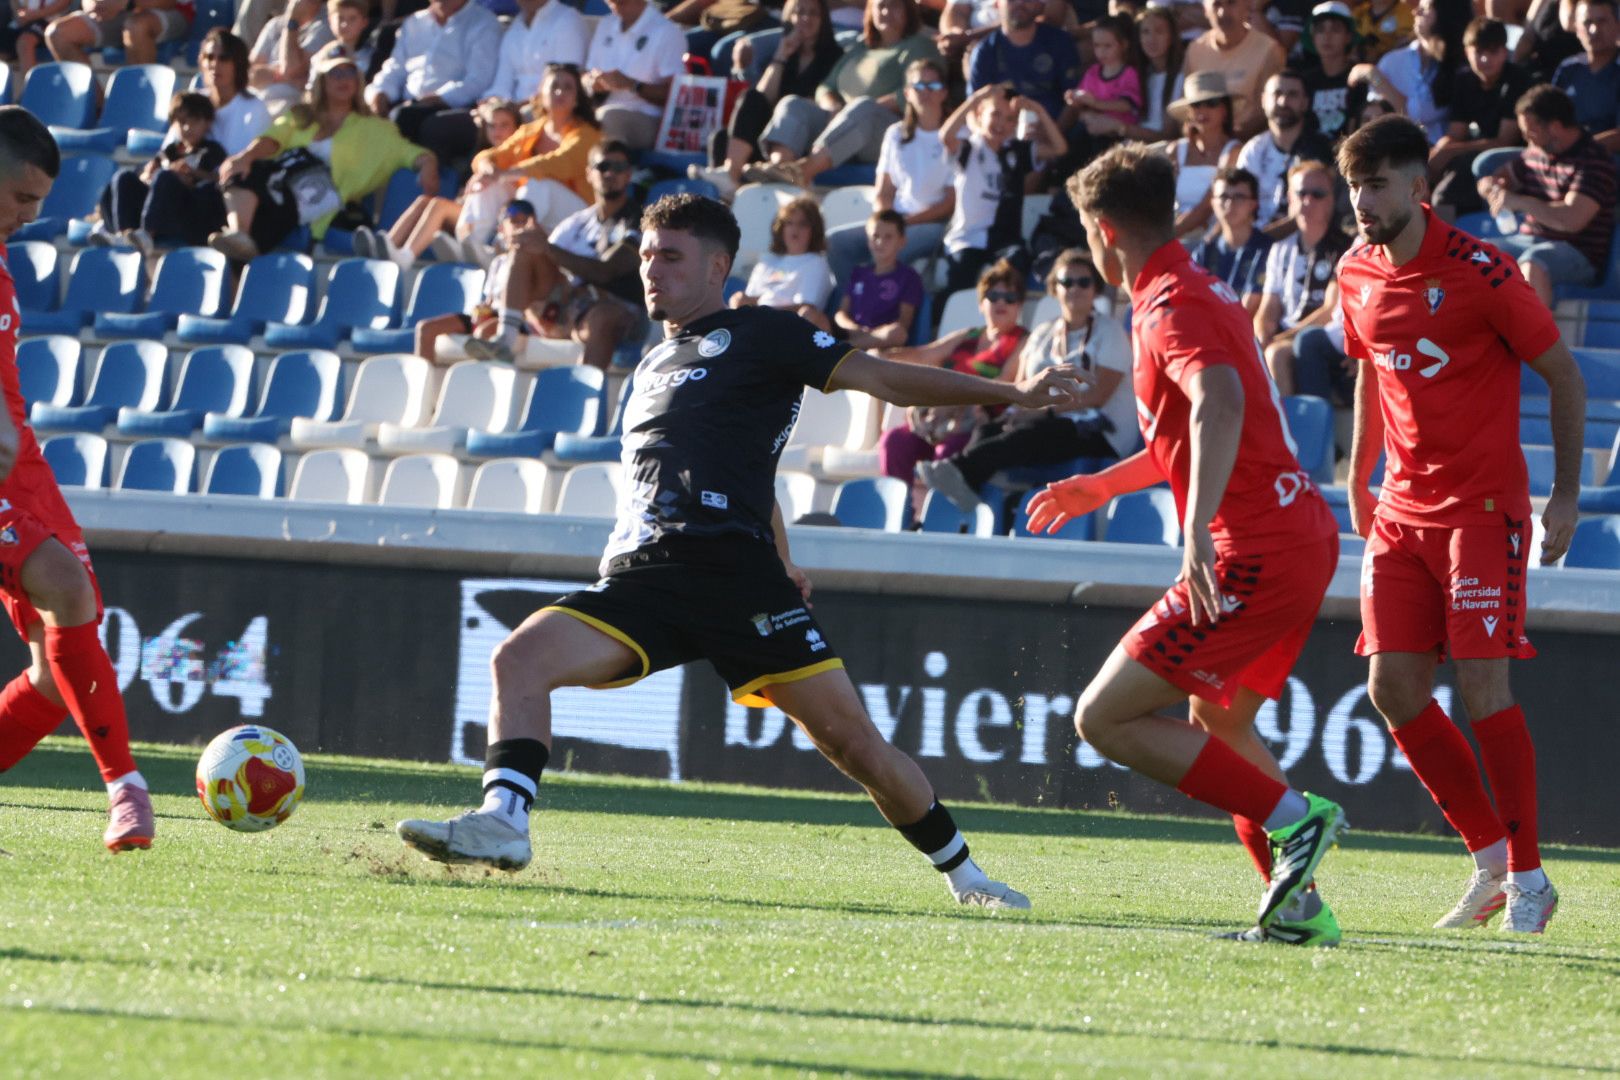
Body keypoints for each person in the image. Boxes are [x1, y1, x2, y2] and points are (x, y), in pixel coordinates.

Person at [395, 193, 1086, 913]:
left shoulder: (765, 333)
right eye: (645, 255)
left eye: (671, 256)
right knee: (518, 658)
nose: (651, 269)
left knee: (853, 745)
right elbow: (745, 472)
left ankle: (968, 878)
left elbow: (882, 379)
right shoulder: (652, 363)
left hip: (736, 580)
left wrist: (1013, 392)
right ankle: (505, 822)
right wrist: (785, 552)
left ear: (718, 266)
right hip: (644, 576)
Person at [1029, 141, 1347, 944]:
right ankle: (1297, 908)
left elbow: (1220, 401)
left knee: (1103, 717)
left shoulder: (1169, 302)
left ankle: (1296, 820)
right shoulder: (1196, 286)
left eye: (1087, 234)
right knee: (1219, 717)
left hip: (1256, 549)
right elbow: (1194, 428)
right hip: (1296, 535)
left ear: (1104, 232)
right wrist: (1104, 486)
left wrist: (1198, 526)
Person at [1336, 114, 1586, 933]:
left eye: (1376, 185)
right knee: (1391, 688)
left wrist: (1565, 496)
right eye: (1353, 186)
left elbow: (1564, 377)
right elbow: (1372, 370)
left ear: (1418, 187)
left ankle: (1532, 879)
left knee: (1483, 689)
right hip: (1399, 514)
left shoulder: (1483, 271)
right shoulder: (1353, 271)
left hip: (1481, 514)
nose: (1362, 202)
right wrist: (1357, 473)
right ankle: (1489, 862)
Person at [0, 107, 156, 853]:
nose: (31, 216)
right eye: (22, 198)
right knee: (66, 588)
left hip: (21, 467)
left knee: (53, 670)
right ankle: (127, 791)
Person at [919, 248, 1137, 512]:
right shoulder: (1043, 333)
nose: (1075, 289)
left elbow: (1097, 396)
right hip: (1048, 420)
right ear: (1054, 288)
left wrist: (1043, 412)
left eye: (1083, 282)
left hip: (1099, 432)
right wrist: (1012, 413)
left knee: (1031, 434)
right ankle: (969, 493)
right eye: (1066, 282)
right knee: (988, 430)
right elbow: (1022, 387)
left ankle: (960, 473)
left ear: (1096, 289)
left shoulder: (1110, 332)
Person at [356, 62, 599, 269]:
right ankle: (475, 246)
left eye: (568, 87)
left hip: (577, 217)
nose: (560, 92)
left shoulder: (587, 134)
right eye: (554, 86)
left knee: (536, 185)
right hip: (534, 213)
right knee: (491, 184)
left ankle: (500, 247)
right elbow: (490, 156)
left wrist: (503, 173)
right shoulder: (531, 130)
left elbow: (557, 163)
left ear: (578, 97)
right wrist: (488, 170)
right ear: (541, 93)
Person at [211, 54, 440, 261]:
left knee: (258, 207)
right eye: (335, 73)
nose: (344, 79)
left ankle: (240, 241)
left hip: (319, 202)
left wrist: (428, 164)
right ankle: (239, 237)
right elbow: (272, 140)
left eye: (350, 73)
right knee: (240, 172)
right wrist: (245, 156)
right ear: (321, 81)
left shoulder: (376, 128)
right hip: (280, 189)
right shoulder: (299, 116)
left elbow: (410, 153)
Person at [443, 140, 645, 369]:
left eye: (619, 168)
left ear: (629, 175)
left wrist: (547, 248)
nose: (610, 173)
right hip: (569, 304)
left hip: (618, 310)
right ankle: (506, 338)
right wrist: (530, 242)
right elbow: (543, 253)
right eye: (603, 167)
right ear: (589, 174)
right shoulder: (579, 221)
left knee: (602, 317)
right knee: (528, 247)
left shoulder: (638, 220)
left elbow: (606, 271)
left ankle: (583, 387)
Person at [877, 259, 1029, 516]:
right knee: (895, 442)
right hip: (939, 417)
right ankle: (900, 516)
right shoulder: (968, 335)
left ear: (1020, 305)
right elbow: (924, 355)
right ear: (981, 304)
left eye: (1010, 297)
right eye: (993, 296)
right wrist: (877, 355)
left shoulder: (1023, 340)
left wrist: (953, 401)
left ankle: (938, 520)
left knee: (947, 453)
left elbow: (1003, 384)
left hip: (976, 421)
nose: (1001, 302)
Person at [742, 0, 940, 187]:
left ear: (908, 11)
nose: (887, 12)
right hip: (844, 122)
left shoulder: (919, 46)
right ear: (871, 12)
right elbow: (826, 87)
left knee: (864, 107)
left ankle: (802, 172)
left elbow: (918, 91)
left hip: (886, 129)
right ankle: (778, 167)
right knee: (792, 104)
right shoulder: (861, 47)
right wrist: (834, 107)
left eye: (895, 6)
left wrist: (855, 111)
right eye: (881, 6)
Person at [1477, 82, 1616, 306]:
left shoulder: (1593, 161)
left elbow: (1572, 219)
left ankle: (1533, 330)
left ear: (1555, 127)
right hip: (1528, 239)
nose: (1527, 139)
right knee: (1477, 254)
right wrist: (1492, 186)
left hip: (1578, 252)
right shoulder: (1536, 152)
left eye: (1531, 132)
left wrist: (1520, 202)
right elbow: (1501, 176)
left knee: (1533, 262)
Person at [412, 0, 591, 173]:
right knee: (437, 126)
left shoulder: (568, 21)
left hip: (541, 112)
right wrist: (490, 105)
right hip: (509, 110)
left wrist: (513, 108)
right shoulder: (516, 28)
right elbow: (501, 83)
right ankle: (458, 185)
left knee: (498, 124)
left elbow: (564, 88)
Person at [690, 0, 842, 199]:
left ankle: (732, 180)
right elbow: (763, 97)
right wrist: (781, 56)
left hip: (801, 135)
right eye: (799, 12)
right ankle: (730, 192)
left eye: (813, 13)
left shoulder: (834, 56)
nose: (805, 18)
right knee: (722, 136)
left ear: (823, 20)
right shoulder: (788, 53)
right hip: (772, 131)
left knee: (784, 107)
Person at [824, 57, 953, 289]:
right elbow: (884, 190)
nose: (925, 92)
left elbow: (949, 203)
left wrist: (902, 224)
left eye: (932, 86)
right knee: (836, 243)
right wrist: (884, 223)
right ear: (907, 93)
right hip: (896, 222)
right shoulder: (895, 134)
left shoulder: (954, 137)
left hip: (933, 224)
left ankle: (873, 303)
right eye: (918, 86)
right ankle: (852, 299)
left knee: (889, 251)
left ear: (944, 92)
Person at [940, 83, 1066, 292]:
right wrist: (976, 98)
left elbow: (1059, 148)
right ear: (980, 114)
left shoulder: (1017, 150)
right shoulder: (969, 148)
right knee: (960, 280)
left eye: (1010, 119)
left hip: (1005, 241)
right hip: (968, 238)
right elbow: (946, 136)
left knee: (1016, 268)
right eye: (995, 115)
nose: (1001, 124)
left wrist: (1039, 111)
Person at [1256, 159, 1350, 395]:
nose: (1307, 201)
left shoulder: (1346, 249)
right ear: (1290, 198)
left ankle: (1287, 419)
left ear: (1331, 199)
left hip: (1323, 341)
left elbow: (1329, 311)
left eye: (1318, 194)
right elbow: (1268, 308)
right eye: (1301, 193)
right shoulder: (1280, 249)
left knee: (1277, 354)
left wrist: (1280, 339)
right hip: (1286, 334)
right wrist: (1262, 336)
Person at [92, 92, 228, 255]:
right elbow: (150, 171)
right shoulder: (171, 150)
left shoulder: (211, 150)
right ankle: (123, 234)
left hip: (186, 211)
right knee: (124, 177)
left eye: (194, 122)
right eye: (182, 122)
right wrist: (148, 175)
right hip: (160, 205)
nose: (187, 128)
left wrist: (190, 173)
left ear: (208, 122)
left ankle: (147, 234)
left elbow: (216, 179)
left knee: (165, 177)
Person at [363, 0, 502, 154]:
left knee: (408, 119)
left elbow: (479, 80)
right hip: (408, 103)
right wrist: (380, 93)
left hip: (454, 106)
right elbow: (395, 69)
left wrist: (440, 98)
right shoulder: (414, 23)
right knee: (364, 113)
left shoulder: (484, 23)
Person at [1429, 17, 1531, 219]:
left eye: (1493, 52)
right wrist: (1438, 151)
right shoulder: (1464, 80)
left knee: (1444, 197)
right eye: (1478, 52)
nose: (1485, 59)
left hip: (1510, 159)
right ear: (1467, 52)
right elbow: (1456, 133)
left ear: (1505, 52)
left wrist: (1450, 151)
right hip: (1473, 151)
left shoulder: (1518, 80)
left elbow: (1505, 142)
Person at [414, 197, 534, 363]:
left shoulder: (533, 261)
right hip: (492, 315)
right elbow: (489, 300)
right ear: (501, 228)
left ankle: (478, 378)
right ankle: (424, 377)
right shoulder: (498, 262)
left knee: (481, 334)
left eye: (524, 222)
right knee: (426, 329)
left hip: (513, 321)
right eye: (514, 221)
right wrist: (481, 310)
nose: (519, 227)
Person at [580, 0, 687, 151]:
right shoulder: (606, 24)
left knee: (608, 118)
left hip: (649, 117)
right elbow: (586, 75)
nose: (614, 6)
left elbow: (678, 97)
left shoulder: (668, 32)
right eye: (610, 2)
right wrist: (592, 83)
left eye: (621, 2)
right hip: (602, 110)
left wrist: (632, 85)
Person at [1236, 69, 1338, 227]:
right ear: (1263, 100)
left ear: (1305, 103)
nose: (1283, 102)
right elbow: (1238, 202)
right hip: (1253, 234)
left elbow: (1318, 210)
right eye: (1277, 94)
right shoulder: (1253, 150)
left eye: (1292, 95)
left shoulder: (1322, 150)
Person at [1351, 0, 1461, 142]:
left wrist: (1374, 76)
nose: (1415, 12)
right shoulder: (1392, 60)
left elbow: (1415, 115)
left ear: (1446, 13)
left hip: (1437, 150)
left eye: (1425, 8)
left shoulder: (1460, 65)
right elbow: (1376, 115)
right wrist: (1375, 75)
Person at [1182, 0, 1286, 139]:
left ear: (1247, 6)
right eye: (1216, 4)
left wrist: (1228, 141)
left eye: (1231, 3)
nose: (1223, 12)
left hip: (1250, 142)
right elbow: (1187, 105)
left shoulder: (1269, 50)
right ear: (1205, 11)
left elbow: (1265, 111)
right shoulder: (1195, 50)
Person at [966, 0, 1083, 123]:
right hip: (1000, 131)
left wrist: (1055, 131)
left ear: (1039, 5)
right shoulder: (985, 51)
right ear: (997, 4)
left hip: (1053, 127)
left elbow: (1073, 100)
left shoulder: (1060, 43)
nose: (1020, 3)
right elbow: (974, 106)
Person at [732, 195, 836, 330]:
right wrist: (741, 301)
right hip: (758, 323)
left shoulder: (817, 263)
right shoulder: (767, 261)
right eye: (789, 223)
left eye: (802, 224)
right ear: (781, 227)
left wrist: (764, 312)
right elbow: (751, 298)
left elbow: (806, 309)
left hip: (790, 328)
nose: (795, 229)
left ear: (814, 230)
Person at [1164, 70, 1242, 237]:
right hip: (1175, 234)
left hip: (1212, 238)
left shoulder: (1234, 151)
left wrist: (1166, 237)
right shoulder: (1176, 150)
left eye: (1211, 103)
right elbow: (1163, 200)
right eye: (1196, 104)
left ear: (1225, 109)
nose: (1203, 110)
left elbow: (1207, 207)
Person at [833, 209, 924, 349]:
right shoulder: (858, 273)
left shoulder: (909, 277)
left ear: (902, 241)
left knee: (897, 332)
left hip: (883, 342)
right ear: (868, 240)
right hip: (854, 333)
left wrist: (874, 334)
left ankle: (841, 349)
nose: (880, 242)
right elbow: (841, 313)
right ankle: (846, 348)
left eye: (888, 237)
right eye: (875, 236)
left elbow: (903, 323)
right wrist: (853, 328)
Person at [1191, 165, 1272, 313]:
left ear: (1254, 204)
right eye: (1223, 197)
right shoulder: (1205, 250)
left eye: (1239, 197)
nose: (1230, 204)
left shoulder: (1268, 250)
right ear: (1213, 203)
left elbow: (1250, 309)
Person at [194, 28, 275, 157]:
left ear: (238, 64)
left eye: (224, 58)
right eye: (209, 57)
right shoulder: (193, 102)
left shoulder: (255, 109)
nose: (215, 64)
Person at [1551, 0, 1620, 149]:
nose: (1594, 30)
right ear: (1577, 28)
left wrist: (1579, 148)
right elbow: (1548, 118)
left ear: (1618, 25)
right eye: (1587, 22)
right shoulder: (1567, 68)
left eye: (1602, 21)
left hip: (1607, 157)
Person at [248, 0, 336, 114]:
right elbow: (249, 72)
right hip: (257, 97)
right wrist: (276, 74)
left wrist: (292, 21)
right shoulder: (275, 24)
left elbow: (291, 68)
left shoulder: (325, 26)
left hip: (290, 102)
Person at [1299, 1, 1366, 142]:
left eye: (1335, 29)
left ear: (1348, 37)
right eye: (1320, 30)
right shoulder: (1304, 81)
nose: (1327, 36)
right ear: (1313, 37)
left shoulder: (1360, 79)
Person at [45, 0, 188, 65]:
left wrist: (127, 3)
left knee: (135, 26)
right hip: (115, 14)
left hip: (168, 12)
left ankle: (142, 101)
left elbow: (169, 2)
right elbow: (86, 2)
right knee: (57, 33)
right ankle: (95, 105)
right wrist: (96, 6)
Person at [0, 0, 69, 75]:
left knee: (25, 42)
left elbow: (63, 3)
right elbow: (15, 4)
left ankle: (32, 81)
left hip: (50, 23)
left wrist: (34, 15)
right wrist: (19, 15)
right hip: (20, 22)